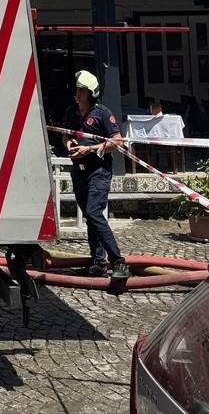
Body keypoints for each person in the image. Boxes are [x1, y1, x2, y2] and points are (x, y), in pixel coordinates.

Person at [64, 70, 131, 280]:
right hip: (79, 171)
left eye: (82, 90)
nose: (78, 93)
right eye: (77, 89)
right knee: (90, 216)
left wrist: (90, 149)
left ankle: (118, 261)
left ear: (91, 92)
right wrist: (68, 143)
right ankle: (98, 262)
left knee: (94, 213)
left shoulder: (102, 113)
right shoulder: (70, 112)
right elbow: (66, 133)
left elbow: (118, 142)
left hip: (98, 171)